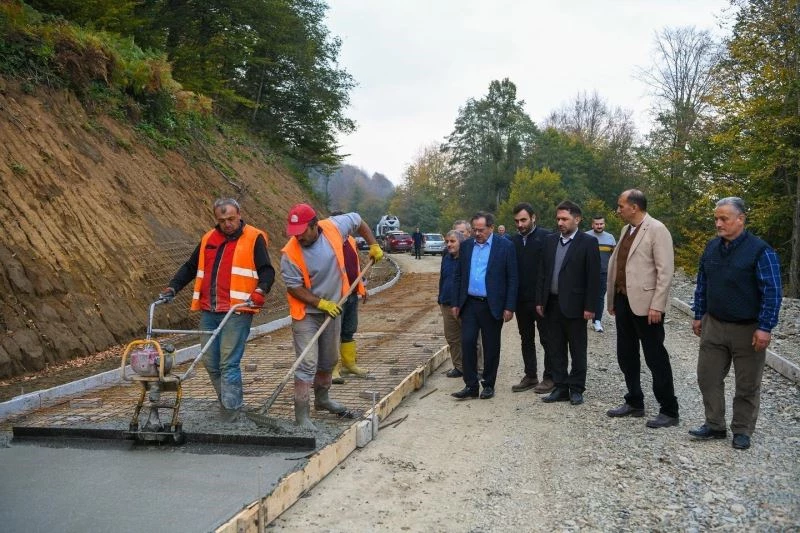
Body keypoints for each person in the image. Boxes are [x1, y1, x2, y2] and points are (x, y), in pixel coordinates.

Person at [161, 198, 275, 421]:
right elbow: (190, 267)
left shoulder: (254, 237)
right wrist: (173, 286)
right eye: (222, 220)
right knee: (210, 362)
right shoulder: (208, 239)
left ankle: (231, 412)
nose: (228, 224)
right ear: (216, 219)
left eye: (231, 219)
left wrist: (261, 290)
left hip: (237, 311)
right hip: (210, 310)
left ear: (239, 215)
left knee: (228, 362)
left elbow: (267, 270)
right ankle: (228, 403)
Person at [689, 197, 782, 450]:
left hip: (748, 329)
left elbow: (772, 291)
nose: (718, 223)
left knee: (747, 383)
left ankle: (742, 430)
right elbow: (703, 284)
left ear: (740, 219)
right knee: (707, 377)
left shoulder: (761, 251)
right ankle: (714, 424)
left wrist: (765, 327)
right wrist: (699, 315)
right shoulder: (711, 248)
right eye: (716, 219)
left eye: (724, 219)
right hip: (714, 324)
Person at [280, 203, 383, 429]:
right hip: (307, 313)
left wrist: (374, 245)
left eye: (301, 233)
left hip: (334, 308)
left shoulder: (334, 227)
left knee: (328, 360)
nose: (297, 238)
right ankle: (302, 414)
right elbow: (293, 287)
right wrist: (320, 303)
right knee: (307, 363)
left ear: (314, 225)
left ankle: (322, 399)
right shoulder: (290, 254)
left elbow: (358, 219)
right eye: (293, 233)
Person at [606, 189, 680, 429]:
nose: (618, 210)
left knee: (655, 357)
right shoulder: (626, 230)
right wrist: (613, 300)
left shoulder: (657, 229)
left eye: (621, 206)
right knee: (626, 354)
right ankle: (634, 401)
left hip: (648, 306)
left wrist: (657, 305)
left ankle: (669, 410)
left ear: (634, 207)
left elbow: (665, 271)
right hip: (624, 302)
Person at [535, 201, 600, 406]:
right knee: (555, 348)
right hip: (552, 304)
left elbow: (593, 278)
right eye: (558, 219)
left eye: (564, 219)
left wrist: (591, 307)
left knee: (578, 349)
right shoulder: (550, 241)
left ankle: (577, 388)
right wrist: (540, 300)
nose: (560, 222)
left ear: (577, 219)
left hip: (576, 306)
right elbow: (542, 273)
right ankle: (561, 386)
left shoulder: (588, 243)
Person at [451, 212, 518, 400]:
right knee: (467, 342)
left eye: (481, 230)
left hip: (492, 304)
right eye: (475, 230)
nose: (477, 233)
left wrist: (509, 307)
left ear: (491, 228)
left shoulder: (505, 247)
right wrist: (456, 302)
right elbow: (459, 275)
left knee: (491, 346)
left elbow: (513, 278)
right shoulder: (465, 247)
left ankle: (488, 384)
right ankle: (471, 385)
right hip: (470, 304)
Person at [509, 202, 556, 394]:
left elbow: (549, 271)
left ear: (533, 218)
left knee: (547, 339)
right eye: (517, 221)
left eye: (523, 220)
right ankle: (530, 375)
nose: (520, 224)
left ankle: (550, 377)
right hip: (521, 300)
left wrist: (542, 300)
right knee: (526, 338)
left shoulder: (546, 237)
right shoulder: (513, 241)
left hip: (541, 301)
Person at [329, 212, 369, 384]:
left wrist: (362, 287)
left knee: (349, 330)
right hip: (337, 296)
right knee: (333, 333)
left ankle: (348, 364)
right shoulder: (329, 243)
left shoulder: (351, 241)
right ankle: (332, 368)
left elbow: (356, 267)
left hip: (352, 294)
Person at [438, 230, 467, 378]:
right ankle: (459, 367)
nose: (449, 244)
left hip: (464, 305)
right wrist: (440, 297)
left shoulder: (467, 258)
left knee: (472, 339)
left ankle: (477, 368)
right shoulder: (446, 257)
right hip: (446, 303)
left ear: (461, 242)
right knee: (452, 338)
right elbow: (443, 277)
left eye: (452, 241)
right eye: (447, 241)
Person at [586, 215, 616, 332]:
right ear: (592, 225)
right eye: (597, 224)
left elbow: (615, 257)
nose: (599, 226)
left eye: (601, 224)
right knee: (584, 295)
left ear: (604, 224)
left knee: (599, 297)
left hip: (603, 273)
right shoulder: (586, 236)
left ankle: (597, 321)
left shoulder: (610, 238)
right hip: (586, 273)